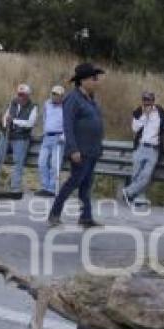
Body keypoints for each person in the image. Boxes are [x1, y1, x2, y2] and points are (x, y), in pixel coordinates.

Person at [48, 63, 106, 228]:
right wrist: (73, 149)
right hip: (80, 150)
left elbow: (96, 123)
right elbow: (68, 126)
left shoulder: (91, 99)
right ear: (83, 81)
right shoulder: (72, 99)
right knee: (74, 181)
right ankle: (54, 213)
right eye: (94, 78)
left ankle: (86, 217)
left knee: (86, 184)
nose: (96, 81)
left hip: (92, 149)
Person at [0, 83, 38, 192]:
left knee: (18, 161)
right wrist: (5, 123)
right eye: (19, 94)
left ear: (28, 95)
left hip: (21, 137)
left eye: (23, 95)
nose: (20, 97)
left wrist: (14, 121)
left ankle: (15, 186)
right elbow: (6, 116)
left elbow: (29, 123)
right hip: (7, 134)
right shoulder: (13, 103)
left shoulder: (33, 107)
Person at [122, 91, 164, 205]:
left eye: (149, 100)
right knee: (136, 174)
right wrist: (145, 116)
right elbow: (135, 128)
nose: (147, 103)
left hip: (154, 148)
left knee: (146, 174)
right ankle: (137, 198)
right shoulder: (138, 112)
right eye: (145, 100)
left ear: (153, 101)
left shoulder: (160, 112)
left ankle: (128, 191)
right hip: (140, 146)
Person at [35, 85, 65, 197]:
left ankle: (52, 189)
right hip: (47, 137)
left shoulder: (65, 107)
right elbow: (44, 118)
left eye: (57, 95)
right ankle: (44, 186)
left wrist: (64, 135)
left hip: (58, 138)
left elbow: (69, 123)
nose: (54, 96)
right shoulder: (47, 104)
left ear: (62, 96)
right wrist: (44, 130)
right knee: (41, 162)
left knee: (54, 165)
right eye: (53, 94)